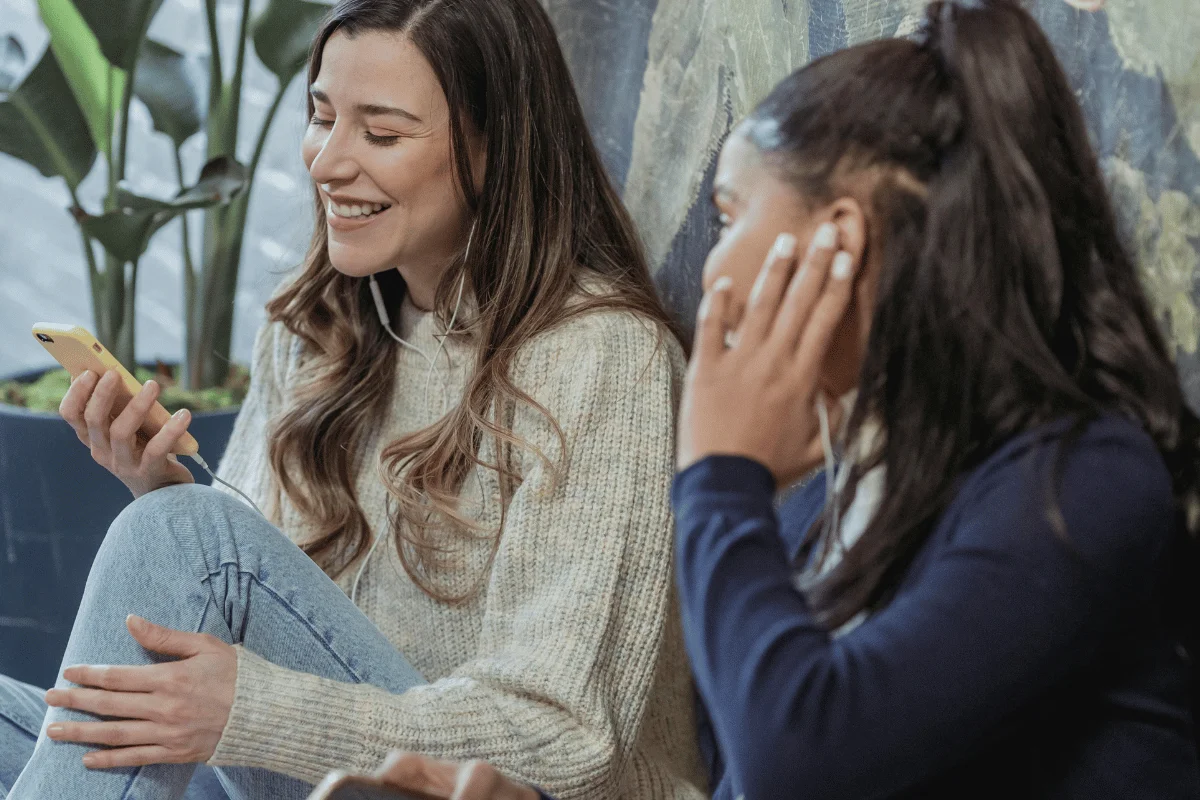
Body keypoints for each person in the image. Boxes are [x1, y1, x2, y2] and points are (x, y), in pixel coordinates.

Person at [341, 0, 1200, 798]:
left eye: (730, 214)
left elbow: (802, 758)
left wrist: (720, 469)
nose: (713, 266)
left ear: (840, 243)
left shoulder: (1083, 484)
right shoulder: (831, 502)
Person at [0, 0, 709, 798]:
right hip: (300, 775)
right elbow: (256, 596)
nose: (327, 162)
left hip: (472, 788)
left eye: (381, 134)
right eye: (321, 116)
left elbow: (563, 740)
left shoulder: (603, 359)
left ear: (494, 148)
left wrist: (256, 706)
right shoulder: (312, 328)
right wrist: (157, 488)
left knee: (193, 535)